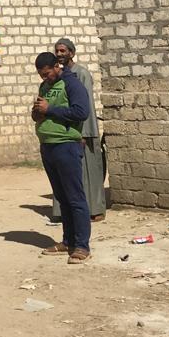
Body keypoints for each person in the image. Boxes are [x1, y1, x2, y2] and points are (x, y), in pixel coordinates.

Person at [32, 51, 92, 264]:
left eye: (47, 73)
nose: (45, 78)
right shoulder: (45, 87)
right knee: (62, 197)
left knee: (75, 197)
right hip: (48, 146)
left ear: (57, 67)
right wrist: (37, 112)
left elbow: (81, 112)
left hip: (66, 145)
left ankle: (82, 246)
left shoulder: (72, 84)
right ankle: (68, 241)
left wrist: (50, 109)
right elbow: (41, 112)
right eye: (41, 75)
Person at [50, 37, 106, 223]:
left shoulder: (81, 74)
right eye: (57, 51)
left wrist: (85, 133)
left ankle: (95, 209)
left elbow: (86, 104)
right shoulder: (58, 75)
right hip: (65, 130)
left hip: (83, 131)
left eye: (63, 51)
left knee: (90, 173)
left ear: (71, 53)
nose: (59, 54)